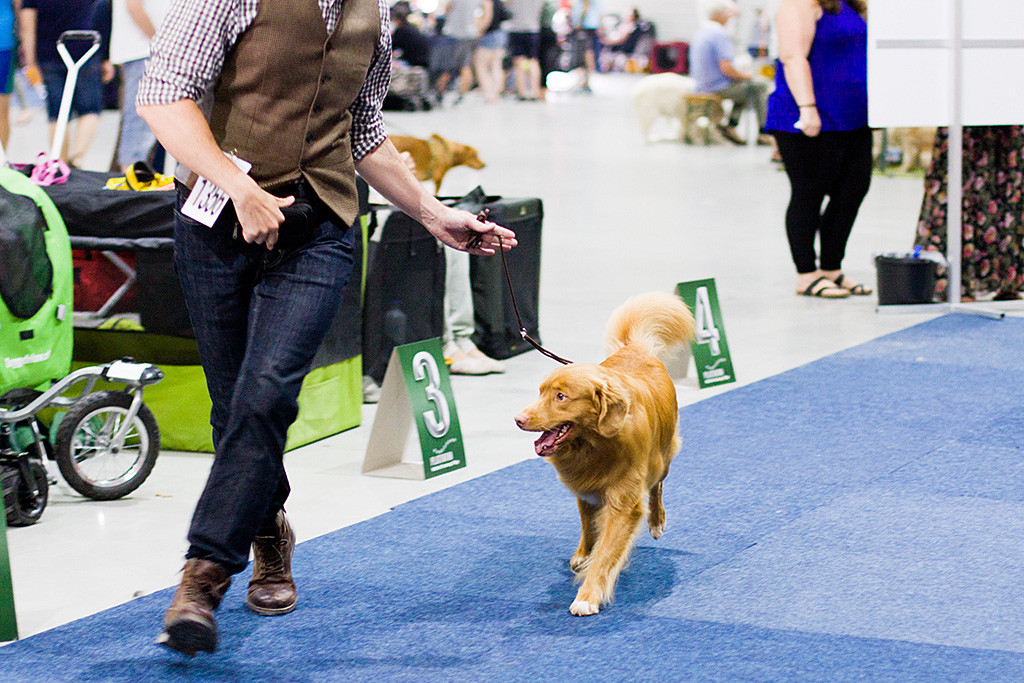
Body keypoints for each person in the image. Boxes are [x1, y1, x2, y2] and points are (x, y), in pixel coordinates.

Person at [136, 0, 516, 656]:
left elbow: (362, 129)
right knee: (233, 405)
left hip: (321, 229)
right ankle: (267, 526)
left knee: (267, 392)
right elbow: (164, 96)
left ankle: (202, 577)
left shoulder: (374, 12)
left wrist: (432, 213)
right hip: (216, 222)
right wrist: (239, 188)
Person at [765, 0, 872, 299]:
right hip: (808, 114)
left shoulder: (848, 4)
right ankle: (806, 274)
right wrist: (807, 107)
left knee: (853, 189)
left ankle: (831, 268)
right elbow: (792, 56)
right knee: (809, 192)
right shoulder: (800, 4)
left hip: (851, 115)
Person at [915, 126, 1024, 301]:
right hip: (964, 125)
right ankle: (956, 283)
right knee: (959, 184)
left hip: (1008, 122)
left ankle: (1007, 282)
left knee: (1008, 185)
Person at [19, 0, 106, 166]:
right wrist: (106, 55)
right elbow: (102, 13)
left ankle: (60, 165)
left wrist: (30, 63)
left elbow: (27, 24)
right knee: (90, 109)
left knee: (57, 113)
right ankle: (77, 160)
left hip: (49, 52)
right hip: (86, 48)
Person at [689, 0, 771, 146]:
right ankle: (762, 132)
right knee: (759, 86)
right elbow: (726, 68)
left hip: (701, 84)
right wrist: (746, 75)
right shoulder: (719, 34)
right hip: (717, 87)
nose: (729, 16)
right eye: (726, 13)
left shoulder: (701, 32)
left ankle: (731, 125)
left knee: (745, 89)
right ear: (719, 14)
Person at [108, 0, 170, 172]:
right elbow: (133, 6)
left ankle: (133, 176)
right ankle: (132, 178)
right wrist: (160, 43)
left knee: (146, 122)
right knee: (140, 121)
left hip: (147, 51)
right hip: (143, 52)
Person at [434, 0, 480, 102]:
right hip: (470, 34)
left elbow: (447, 9)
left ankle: (440, 93)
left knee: (446, 67)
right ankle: (461, 94)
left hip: (453, 34)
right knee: (466, 66)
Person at [506, 0, 544, 100]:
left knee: (519, 60)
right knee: (533, 60)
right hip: (533, 28)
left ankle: (522, 91)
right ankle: (535, 91)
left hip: (517, 28)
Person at [473, 0, 508, 103]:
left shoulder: (487, 1)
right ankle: (496, 93)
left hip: (489, 35)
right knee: (496, 65)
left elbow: (487, 18)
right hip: (499, 34)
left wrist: (479, 31)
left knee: (481, 66)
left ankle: (489, 93)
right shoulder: (498, 2)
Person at [569, 0, 601, 93]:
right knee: (587, 54)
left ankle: (582, 82)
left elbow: (585, 6)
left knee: (582, 56)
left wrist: (579, 23)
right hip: (589, 28)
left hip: (584, 28)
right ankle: (585, 83)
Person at [390, 0, 430, 69]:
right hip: (423, 62)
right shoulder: (412, 28)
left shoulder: (401, 30)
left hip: (413, 63)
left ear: (396, 20)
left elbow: (391, 46)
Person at [0, 0, 17, 150]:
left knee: (2, 108)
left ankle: (2, 158)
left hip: (4, 43)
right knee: (2, 109)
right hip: (5, 43)